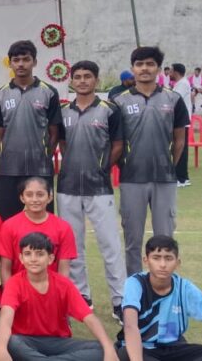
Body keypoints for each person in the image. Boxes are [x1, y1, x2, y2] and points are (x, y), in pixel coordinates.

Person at [58, 61, 127, 319]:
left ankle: (120, 299)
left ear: (96, 80)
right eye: (77, 77)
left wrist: (102, 168)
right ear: (71, 81)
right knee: (73, 245)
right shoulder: (63, 111)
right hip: (67, 187)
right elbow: (62, 143)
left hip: (99, 187)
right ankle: (81, 295)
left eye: (87, 76)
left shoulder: (110, 110)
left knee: (110, 245)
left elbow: (118, 145)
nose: (82, 81)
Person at [113, 46, 189, 277]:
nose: (144, 68)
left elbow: (179, 140)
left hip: (164, 179)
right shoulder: (119, 101)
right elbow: (115, 141)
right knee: (132, 240)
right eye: (139, 64)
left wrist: (169, 165)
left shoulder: (173, 99)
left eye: (150, 64)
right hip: (131, 179)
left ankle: (162, 284)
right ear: (133, 68)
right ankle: (134, 285)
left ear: (158, 68)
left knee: (164, 239)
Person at [0, 232, 117, 361]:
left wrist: (108, 347)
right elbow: (6, 319)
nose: (33, 259)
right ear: (21, 258)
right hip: (27, 341)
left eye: (40, 254)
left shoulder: (63, 284)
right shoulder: (14, 283)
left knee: (101, 348)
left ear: (50, 258)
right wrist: (1, 349)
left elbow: (89, 318)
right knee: (12, 342)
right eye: (28, 254)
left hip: (58, 341)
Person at [0, 41, 62, 219]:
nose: (21, 64)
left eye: (26, 59)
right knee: (8, 220)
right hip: (9, 170)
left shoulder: (49, 92)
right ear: (10, 63)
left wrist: (44, 156)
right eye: (16, 60)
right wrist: (5, 158)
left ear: (34, 62)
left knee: (43, 219)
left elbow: (54, 133)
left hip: (40, 169)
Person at [0, 177, 77, 286]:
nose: (35, 199)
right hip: (18, 289)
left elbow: (64, 269)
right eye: (29, 195)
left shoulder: (63, 227)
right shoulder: (8, 226)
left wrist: (58, 293)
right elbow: (5, 268)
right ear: (22, 198)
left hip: (50, 289)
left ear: (49, 197)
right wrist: (9, 293)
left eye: (40, 195)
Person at [169, 63, 192, 187]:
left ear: (176, 72)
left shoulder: (182, 84)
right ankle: (182, 177)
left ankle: (181, 178)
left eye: (171, 71)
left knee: (180, 149)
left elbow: (173, 100)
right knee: (178, 148)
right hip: (179, 121)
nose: (169, 73)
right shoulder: (180, 83)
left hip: (181, 122)